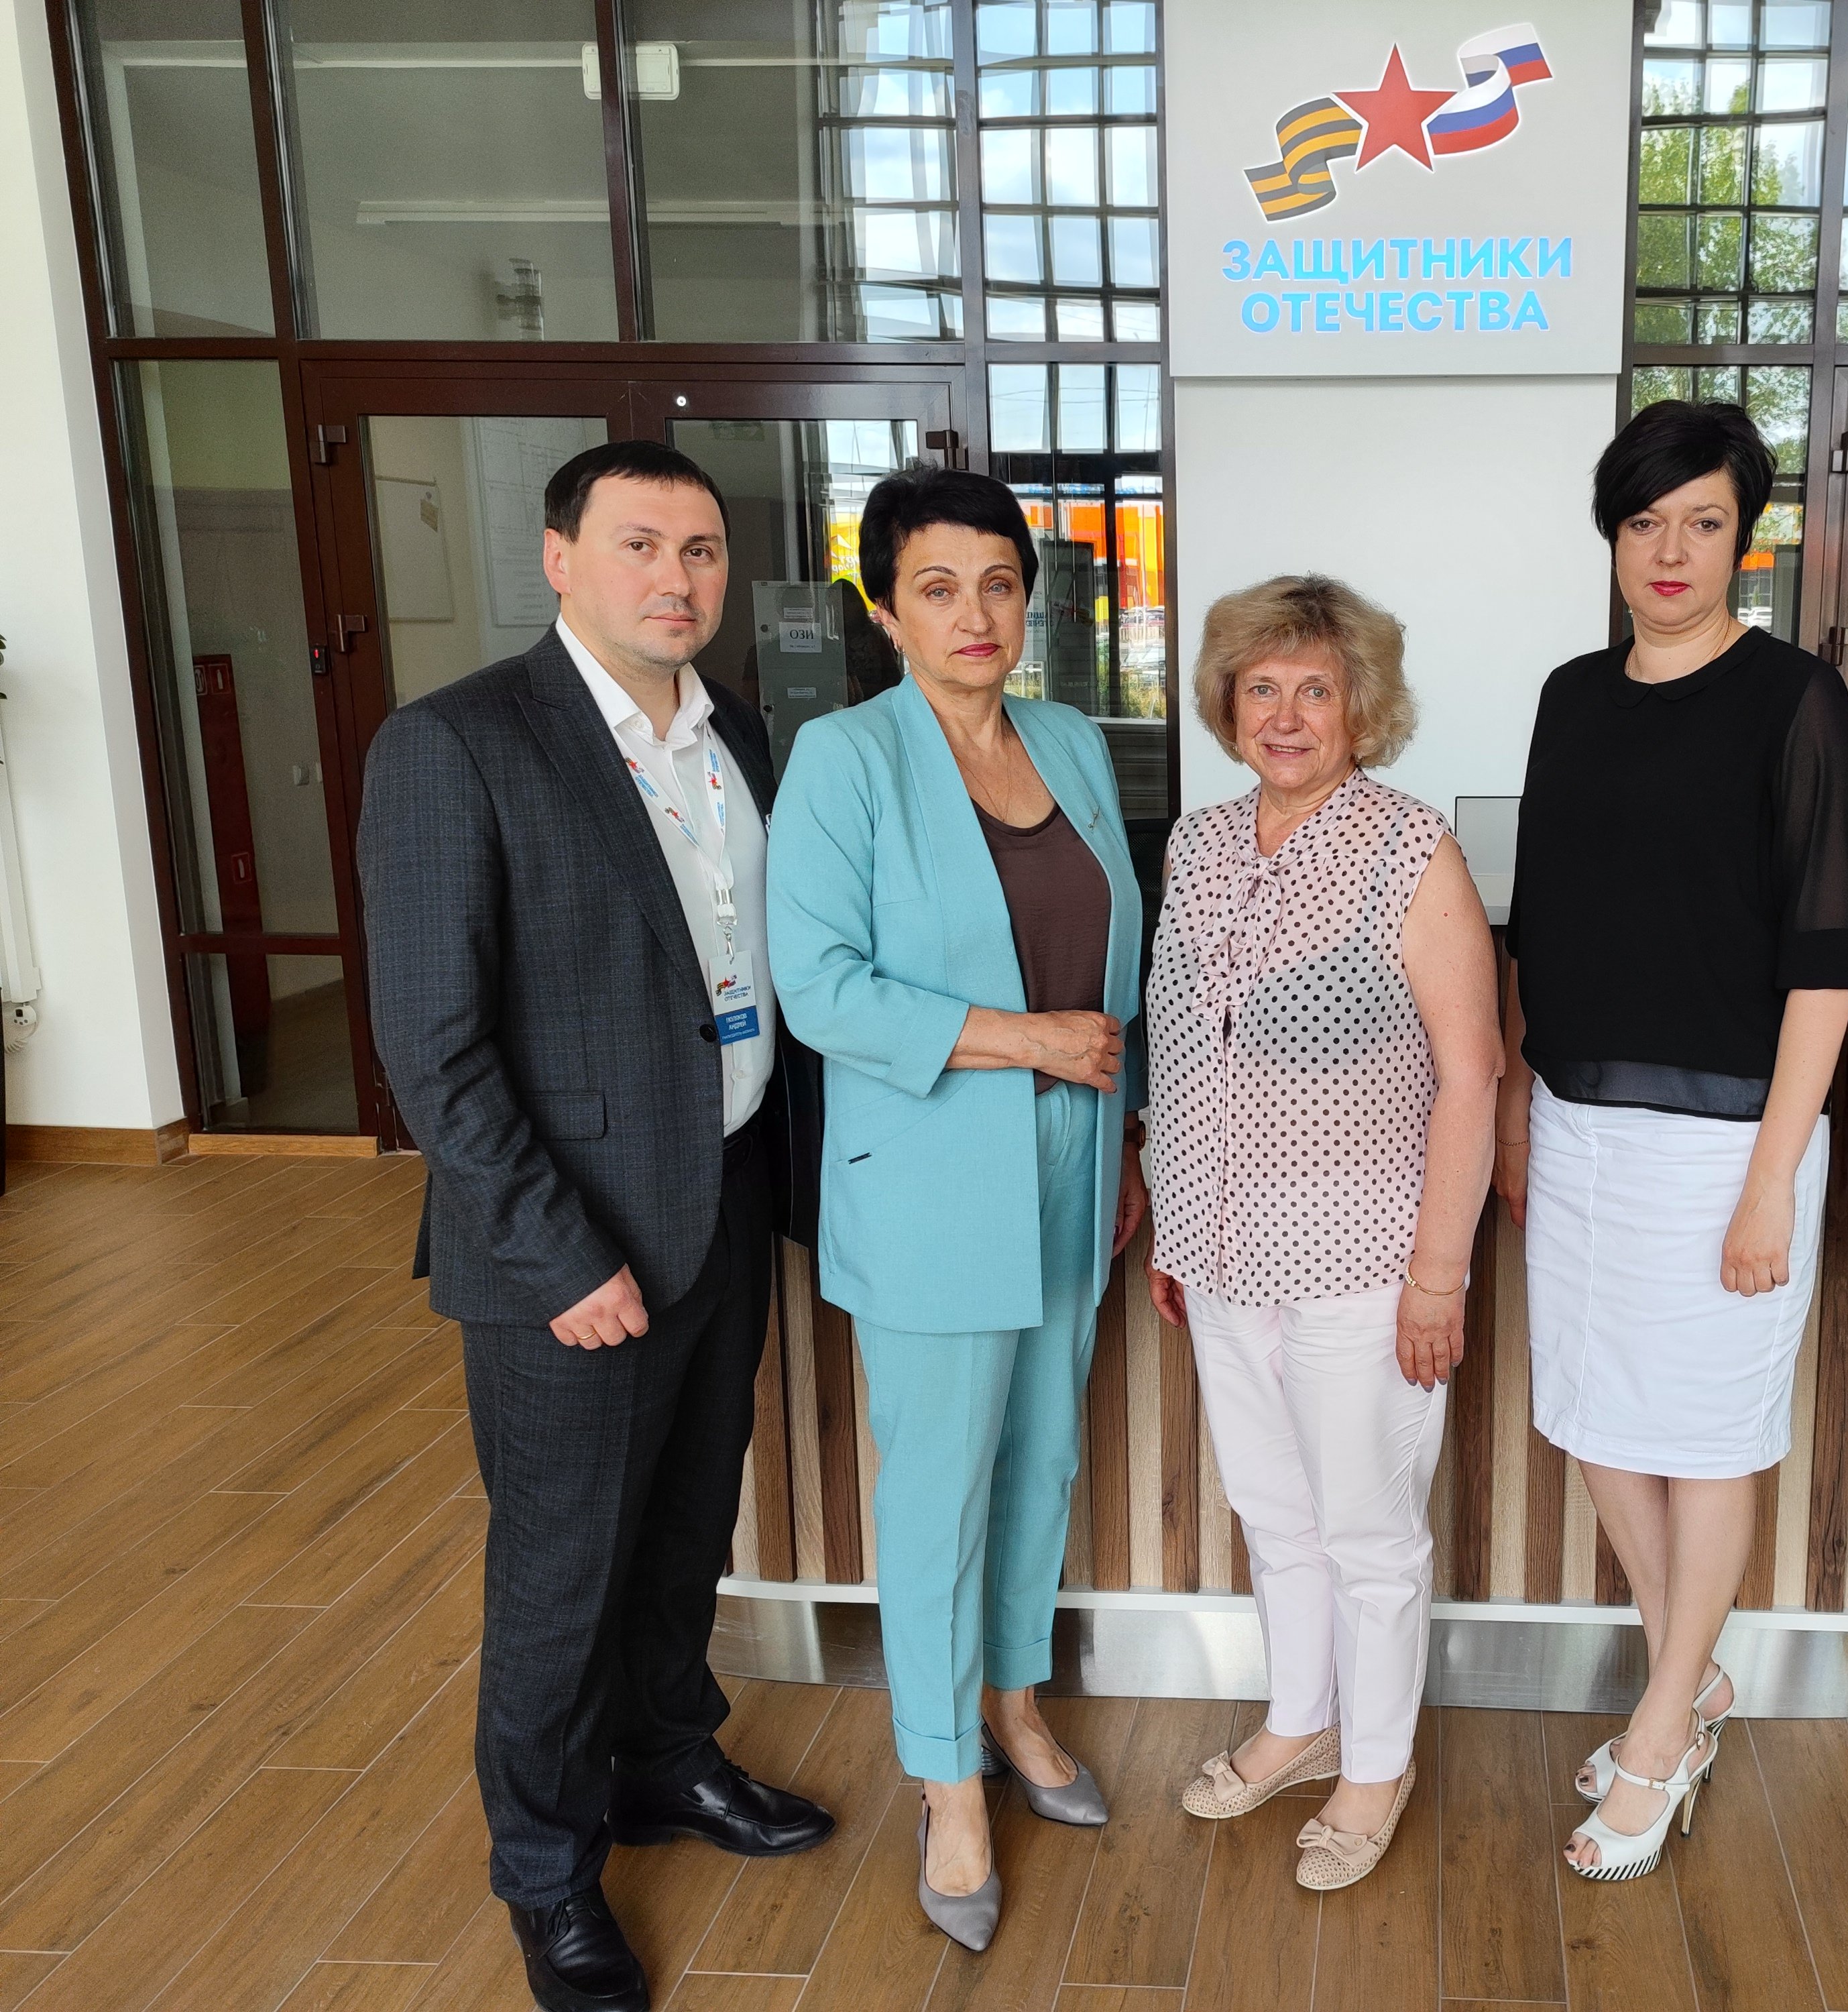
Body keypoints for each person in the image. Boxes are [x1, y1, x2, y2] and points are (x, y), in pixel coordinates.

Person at [359, 440, 835, 2012]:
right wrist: (556, 1254)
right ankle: (549, 1880)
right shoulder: (457, 743)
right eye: (639, 545)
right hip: (564, 1253)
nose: (675, 579)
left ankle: (666, 1761)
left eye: (700, 551)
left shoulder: (738, 733)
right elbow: (433, 1046)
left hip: (721, 1200)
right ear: (559, 557)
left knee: (688, 1529)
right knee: (559, 1582)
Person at [765, 467, 1145, 1951]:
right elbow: (821, 990)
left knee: (1042, 1458)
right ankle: (947, 1781)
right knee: (938, 1488)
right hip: (930, 1175)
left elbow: (1117, 965)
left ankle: (1015, 1705)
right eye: (936, 587)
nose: (973, 614)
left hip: (1073, 1162)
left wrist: (1121, 1139)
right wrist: (1028, 1039)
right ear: (884, 609)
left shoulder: (1071, 742)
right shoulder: (844, 758)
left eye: (998, 584)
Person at [1495, 401, 1848, 1882]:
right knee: (1597, 1422)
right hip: (1576, 1124)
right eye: (1645, 521)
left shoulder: (1794, 698)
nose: (1670, 550)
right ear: (1612, 534)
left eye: (1702, 522)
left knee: (1706, 1440)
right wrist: (1519, 1111)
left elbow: (1825, 960)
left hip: (1727, 1143)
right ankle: (1691, 1677)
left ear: (1742, 540)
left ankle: (1660, 1729)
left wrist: (1773, 1180)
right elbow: (1542, 920)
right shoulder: (1570, 696)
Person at [1143, 577, 1501, 1892]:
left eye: (1315, 689)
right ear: (1226, 704)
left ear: (1362, 708)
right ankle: (1300, 1722)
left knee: (1366, 1534)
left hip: (1365, 1266)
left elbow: (1472, 1073)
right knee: (1271, 1513)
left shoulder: (1410, 848)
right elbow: (1181, 1044)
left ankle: (1377, 1762)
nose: (1286, 715)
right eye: (1261, 688)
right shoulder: (1196, 844)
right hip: (1219, 1259)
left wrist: (1436, 1279)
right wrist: (1174, 1221)